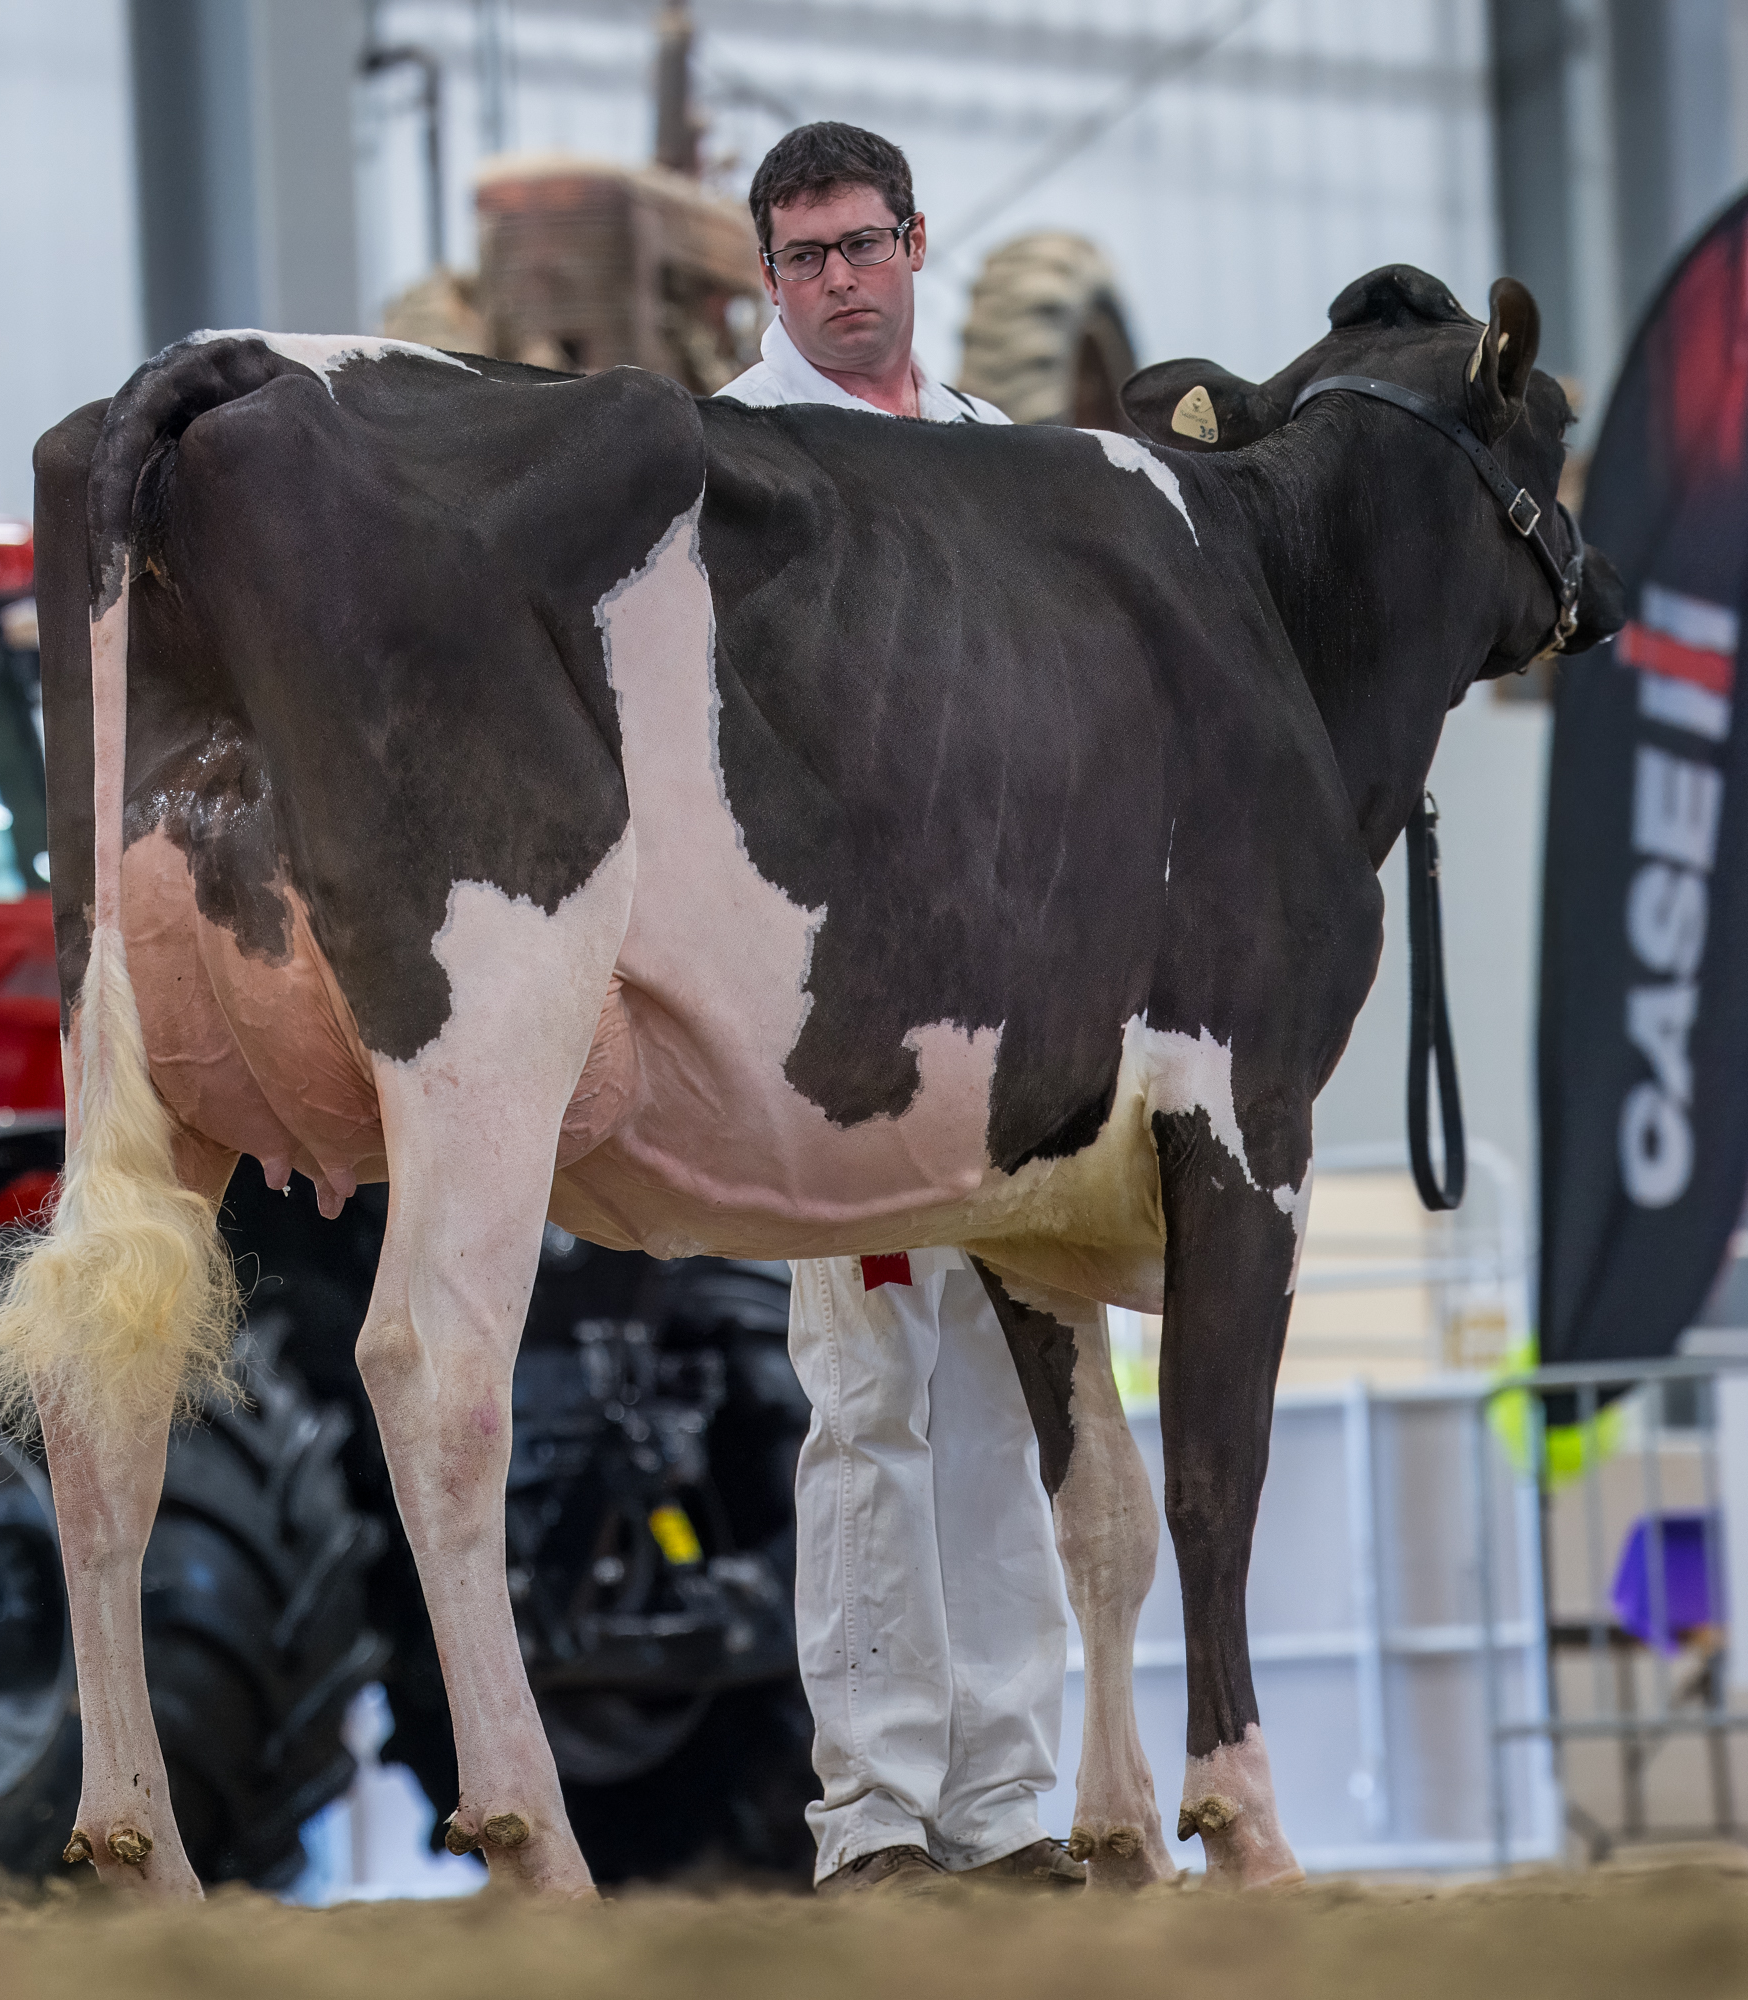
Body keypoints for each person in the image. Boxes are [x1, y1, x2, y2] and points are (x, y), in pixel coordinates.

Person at [714, 122, 1083, 1898]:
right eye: (804, 257)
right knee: (865, 1392)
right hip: (842, 988)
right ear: (766, 275)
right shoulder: (736, 455)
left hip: (1010, 984)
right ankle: (872, 1813)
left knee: (1011, 1385)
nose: (839, 279)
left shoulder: (1008, 461)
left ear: (919, 242)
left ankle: (1010, 1803)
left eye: (862, 245)